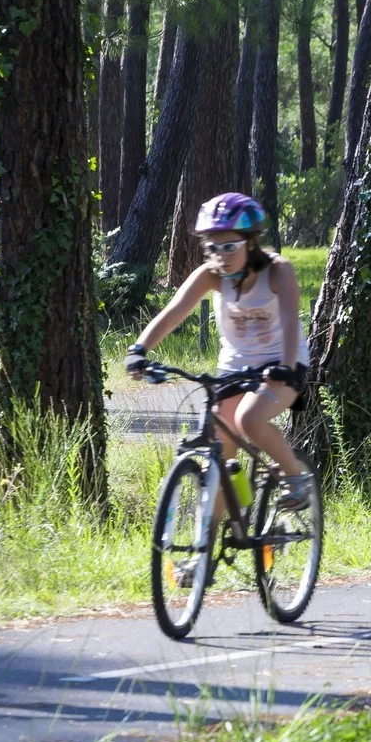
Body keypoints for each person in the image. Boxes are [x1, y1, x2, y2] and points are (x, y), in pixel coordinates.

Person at [125, 192, 312, 508]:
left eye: (229, 247)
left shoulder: (278, 270)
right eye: (212, 248)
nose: (220, 256)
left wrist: (286, 366)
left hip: (282, 363)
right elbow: (173, 313)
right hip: (234, 368)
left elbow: (291, 321)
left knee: (249, 420)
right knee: (220, 449)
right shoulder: (210, 275)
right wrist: (139, 348)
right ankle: (212, 541)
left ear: (250, 243)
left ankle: (296, 479)